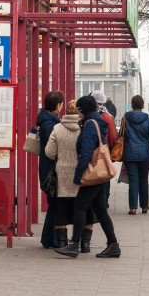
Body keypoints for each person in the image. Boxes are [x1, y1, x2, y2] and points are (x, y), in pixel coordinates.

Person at [54, 95, 121, 259]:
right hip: (99, 173)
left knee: (79, 206)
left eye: (79, 109)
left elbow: (86, 152)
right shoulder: (95, 121)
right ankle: (113, 245)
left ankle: (74, 244)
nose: (77, 111)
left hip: (92, 173)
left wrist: (78, 175)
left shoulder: (90, 124)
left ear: (82, 109)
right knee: (100, 210)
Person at [45, 99, 98, 252]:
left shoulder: (57, 128)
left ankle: (62, 243)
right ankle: (85, 244)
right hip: (84, 174)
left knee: (61, 209)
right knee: (87, 209)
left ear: (66, 111)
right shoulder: (86, 128)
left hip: (63, 174)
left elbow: (49, 152)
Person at [37, 90, 65, 248]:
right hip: (51, 169)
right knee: (55, 203)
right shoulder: (51, 124)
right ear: (57, 105)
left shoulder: (46, 120)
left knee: (54, 203)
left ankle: (49, 238)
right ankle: (50, 239)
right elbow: (52, 149)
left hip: (47, 167)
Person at [121, 95, 149, 215]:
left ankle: (133, 208)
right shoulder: (147, 120)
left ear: (132, 105)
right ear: (143, 105)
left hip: (129, 153)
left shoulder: (126, 118)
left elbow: (122, 134)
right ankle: (144, 206)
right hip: (144, 153)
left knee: (133, 180)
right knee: (143, 180)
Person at [91, 90, 118, 208]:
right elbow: (112, 136)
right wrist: (111, 149)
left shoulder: (88, 115)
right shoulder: (107, 117)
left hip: (91, 150)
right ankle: (104, 200)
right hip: (104, 149)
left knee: (92, 175)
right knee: (105, 175)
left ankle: (93, 199)